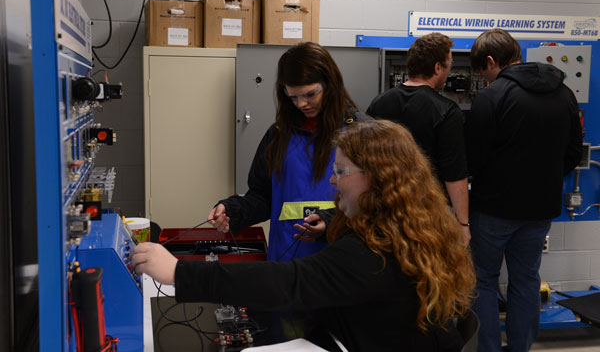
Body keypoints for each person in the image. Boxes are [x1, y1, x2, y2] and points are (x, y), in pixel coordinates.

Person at [133, 120, 476, 352]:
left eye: (340, 171)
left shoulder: (375, 252)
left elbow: (290, 281)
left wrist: (179, 272)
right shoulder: (406, 223)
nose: (331, 180)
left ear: (377, 178)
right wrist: (329, 220)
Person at [466, 29, 583, 352]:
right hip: (540, 209)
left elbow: (472, 158)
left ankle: (488, 348)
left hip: (492, 209)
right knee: (526, 280)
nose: (483, 77)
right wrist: (545, 179)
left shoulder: (492, 96)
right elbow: (574, 152)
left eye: (482, 70)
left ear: (491, 62)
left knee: (484, 281)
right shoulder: (564, 93)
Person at [208, 42, 368, 261]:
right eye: (293, 97)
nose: (302, 104)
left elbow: (379, 203)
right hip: (287, 263)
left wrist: (330, 222)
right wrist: (232, 210)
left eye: (310, 94)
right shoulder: (278, 134)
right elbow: (263, 197)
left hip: (343, 263)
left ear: (330, 85)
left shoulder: (363, 133)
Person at [366, 32, 470, 245]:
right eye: (448, 66)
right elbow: (455, 174)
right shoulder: (447, 111)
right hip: (427, 214)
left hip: (384, 210)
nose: (448, 72)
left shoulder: (379, 103)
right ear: (437, 67)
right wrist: (463, 224)